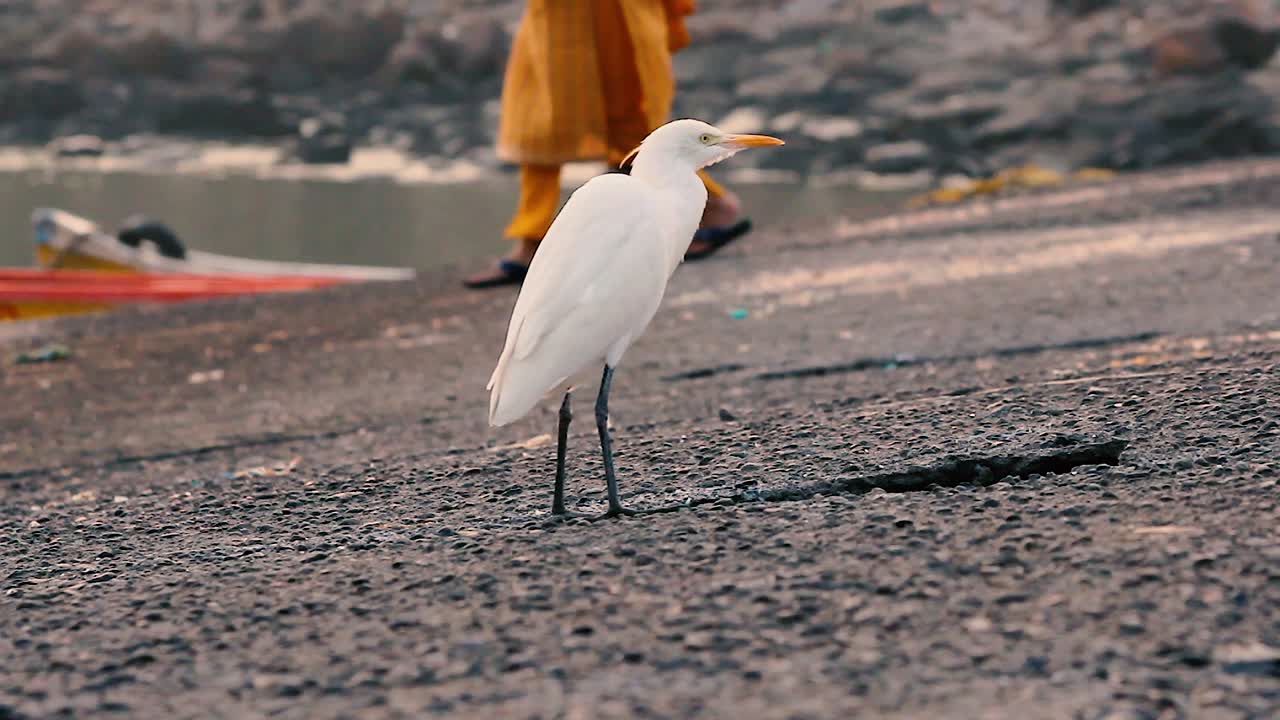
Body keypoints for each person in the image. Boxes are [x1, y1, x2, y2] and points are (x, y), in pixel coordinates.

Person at [464, 0, 753, 289]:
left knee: (629, 116)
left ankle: (706, 208)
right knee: (545, 117)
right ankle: (533, 238)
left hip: (618, 10)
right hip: (563, 12)